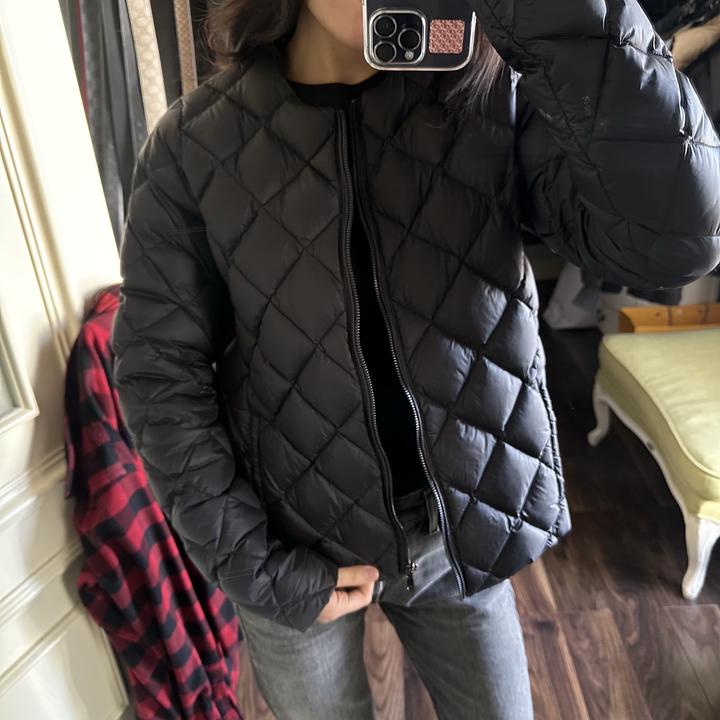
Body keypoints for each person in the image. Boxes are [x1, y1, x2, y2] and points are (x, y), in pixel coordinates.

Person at [110, 1, 720, 718]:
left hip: (458, 538)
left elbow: (676, 239)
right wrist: (256, 565)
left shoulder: (493, 99)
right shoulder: (192, 145)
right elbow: (161, 377)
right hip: (289, 546)